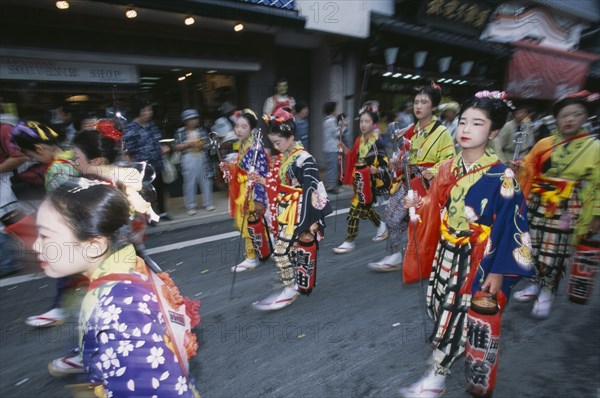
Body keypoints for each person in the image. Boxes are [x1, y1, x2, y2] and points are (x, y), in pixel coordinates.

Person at [400, 91, 535, 398]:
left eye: (477, 123)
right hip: (446, 251)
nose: (466, 129)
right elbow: (434, 207)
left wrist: (499, 271)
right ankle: (452, 349)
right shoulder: (448, 167)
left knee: (454, 311)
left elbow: (512, 228)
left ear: (494, 131)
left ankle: (436, 374)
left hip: (478, 257)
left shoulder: (503, 176)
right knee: (438, 305)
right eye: (463, 121)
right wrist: (416, 203)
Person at [34, 178, 200, 397]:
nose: (36, 245)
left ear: (94, 245)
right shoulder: (129, 269)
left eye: (45, 236)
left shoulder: (120, 314)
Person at [511, 92, 600, 318]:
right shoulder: (544, 143)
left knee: (555, 251)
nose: (569, 119)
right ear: (557, 119)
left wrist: (596, 215)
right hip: (537, 201)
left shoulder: (594, 147)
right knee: (532, 247)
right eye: (564, 115)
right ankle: (534, 285)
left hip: (567, 205)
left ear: (585, 118)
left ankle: (548, 291)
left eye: (576, 114)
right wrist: (518, 167)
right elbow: (529, 166)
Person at [251, 107, 332, 310]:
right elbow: (278, 184)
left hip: (299, 211)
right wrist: (261, 180)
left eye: (278, 142)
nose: (276, 147)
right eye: (273, 143)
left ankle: (290, 287)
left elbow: (314, 190)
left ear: (291, 137)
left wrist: (313, 221)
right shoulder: (284, 157)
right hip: (287, 210)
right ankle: (294, 284)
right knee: (290, 251)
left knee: (280, 251)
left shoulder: (305, 159)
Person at [369, 84, 455, 273]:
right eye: (416, 102)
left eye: (424, 102)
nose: (418, 106)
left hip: (427, 183)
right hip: (410, 179)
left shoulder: (442, 133)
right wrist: (396, 162)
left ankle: (426, 258)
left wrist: (433, 170)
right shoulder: (413, 130)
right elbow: (406, 154)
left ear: (433, 107)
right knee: (392, 214)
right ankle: (396, 255)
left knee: (421, 223)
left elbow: (450, 160)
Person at [13, 121, 82, 328]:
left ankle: (64, 313)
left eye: (33, 155)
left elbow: (63, 206)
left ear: (40, 148)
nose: (34, 160)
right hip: (87, 225)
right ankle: (62, 309)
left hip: (74, 228)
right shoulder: (72, 155)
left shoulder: (57, 170)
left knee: (71, 274)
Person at [333, 102, 390, 254]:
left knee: (354, 210)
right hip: (360, 180)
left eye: (367, 122)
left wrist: (376, 170)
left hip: (370, 182)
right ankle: (382, 227)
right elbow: (353, 157)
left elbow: (386, 165)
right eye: (362, 121)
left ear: (374, 123)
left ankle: (349, 241)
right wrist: (344, 148)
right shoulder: (360, 140)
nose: (363, 125)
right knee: (367, 208)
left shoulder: (378, 142)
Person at [219, 109, 270, 272]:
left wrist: (258, 197)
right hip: (243, 190)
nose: (239, 130)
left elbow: (260, 173)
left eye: (244, 127)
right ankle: (263, 251)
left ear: (251, 129)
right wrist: (229, 169)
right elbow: (240, 169)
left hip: (252, 191)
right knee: (252, 223)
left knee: (249, 223)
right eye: (237, 126)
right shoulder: (243, 145)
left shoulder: (255, 148)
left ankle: (251, 257)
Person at [123, 100, 172, 221]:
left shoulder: (152, 125)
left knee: (160, 188)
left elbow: (157, 140)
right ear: (138, 111)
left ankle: (163, 212)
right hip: (142, 165)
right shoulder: (131, 127)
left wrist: (163, 148)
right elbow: (128, 149)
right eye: (145, 110)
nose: (148, 113)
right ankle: (148, 216)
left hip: (157, 161)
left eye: (149, 110)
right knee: (146, 191)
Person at [174, 109, 215, 215]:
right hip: (188, 157)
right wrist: (188, 144)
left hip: (202, 156)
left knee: (205, 180)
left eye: (195, 118)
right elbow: (176, 146)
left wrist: (203, 145)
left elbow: (208, 144)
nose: (195, 121)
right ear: (186, 121)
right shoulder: (180, 131)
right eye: (192, 119)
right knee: (189, 182)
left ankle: (208, 203)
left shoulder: (201, 130)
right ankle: (191, 206)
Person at [322, 101, 339, 193]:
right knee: (333, 168)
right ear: (332, 110)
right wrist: (343, 127)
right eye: (335, 109)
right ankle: (331, 187)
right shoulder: (332, 120)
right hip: (332, 148)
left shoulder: (325, 120)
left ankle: (329, 186)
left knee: (329, 168)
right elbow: (337, 134)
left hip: (327, 148)